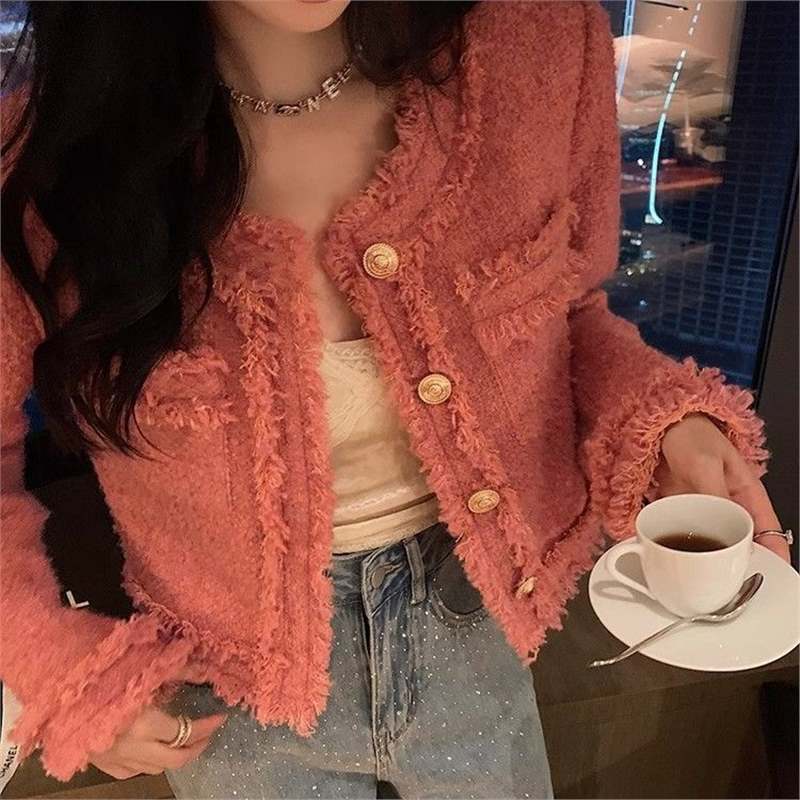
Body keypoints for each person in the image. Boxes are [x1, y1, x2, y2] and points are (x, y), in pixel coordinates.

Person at [0, 1, 789, 798]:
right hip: (229, 688)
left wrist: (666, 419)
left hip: (481, 619)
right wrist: (51, 658)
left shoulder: (536, 45)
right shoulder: (46, 161)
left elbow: (564, 310)